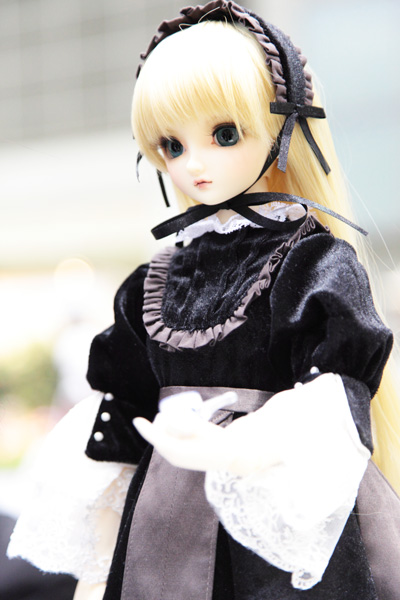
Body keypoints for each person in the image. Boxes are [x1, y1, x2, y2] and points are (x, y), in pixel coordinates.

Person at [8, 2, 400, 599]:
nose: (193, 164)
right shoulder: (153, 281)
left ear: (285, 126)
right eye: (171, 145)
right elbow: (123, 417)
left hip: (269, 519)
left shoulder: (311, 264)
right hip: (162, 520)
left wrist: (241, 444)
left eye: (224, 134)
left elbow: (333, 398)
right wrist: (99, 570)